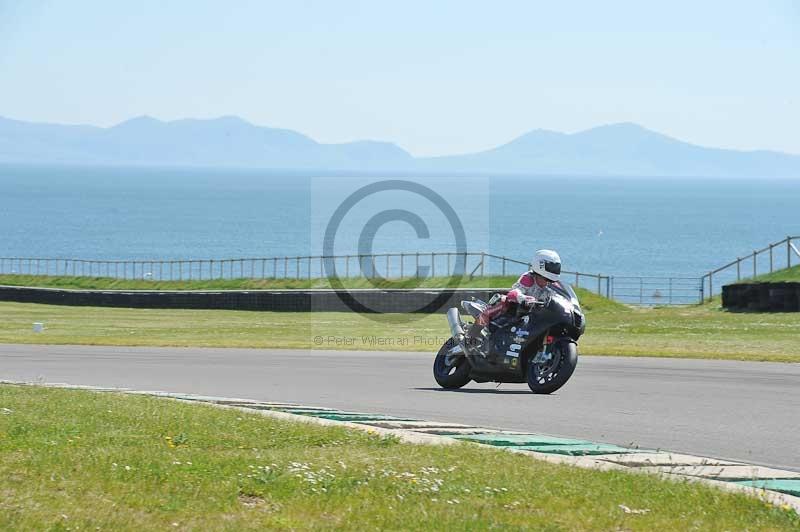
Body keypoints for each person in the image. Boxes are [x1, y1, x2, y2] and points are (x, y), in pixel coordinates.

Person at [473, 249, 562, 330]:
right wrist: (522, 298)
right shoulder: (528, 278)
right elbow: (513, 292)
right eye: (545, 279)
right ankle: (474, 332)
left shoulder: (554, 285)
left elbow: (561, 298)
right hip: (517, 309)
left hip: (537, 315)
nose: (548, 282)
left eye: (555, 267)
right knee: (503, 300)